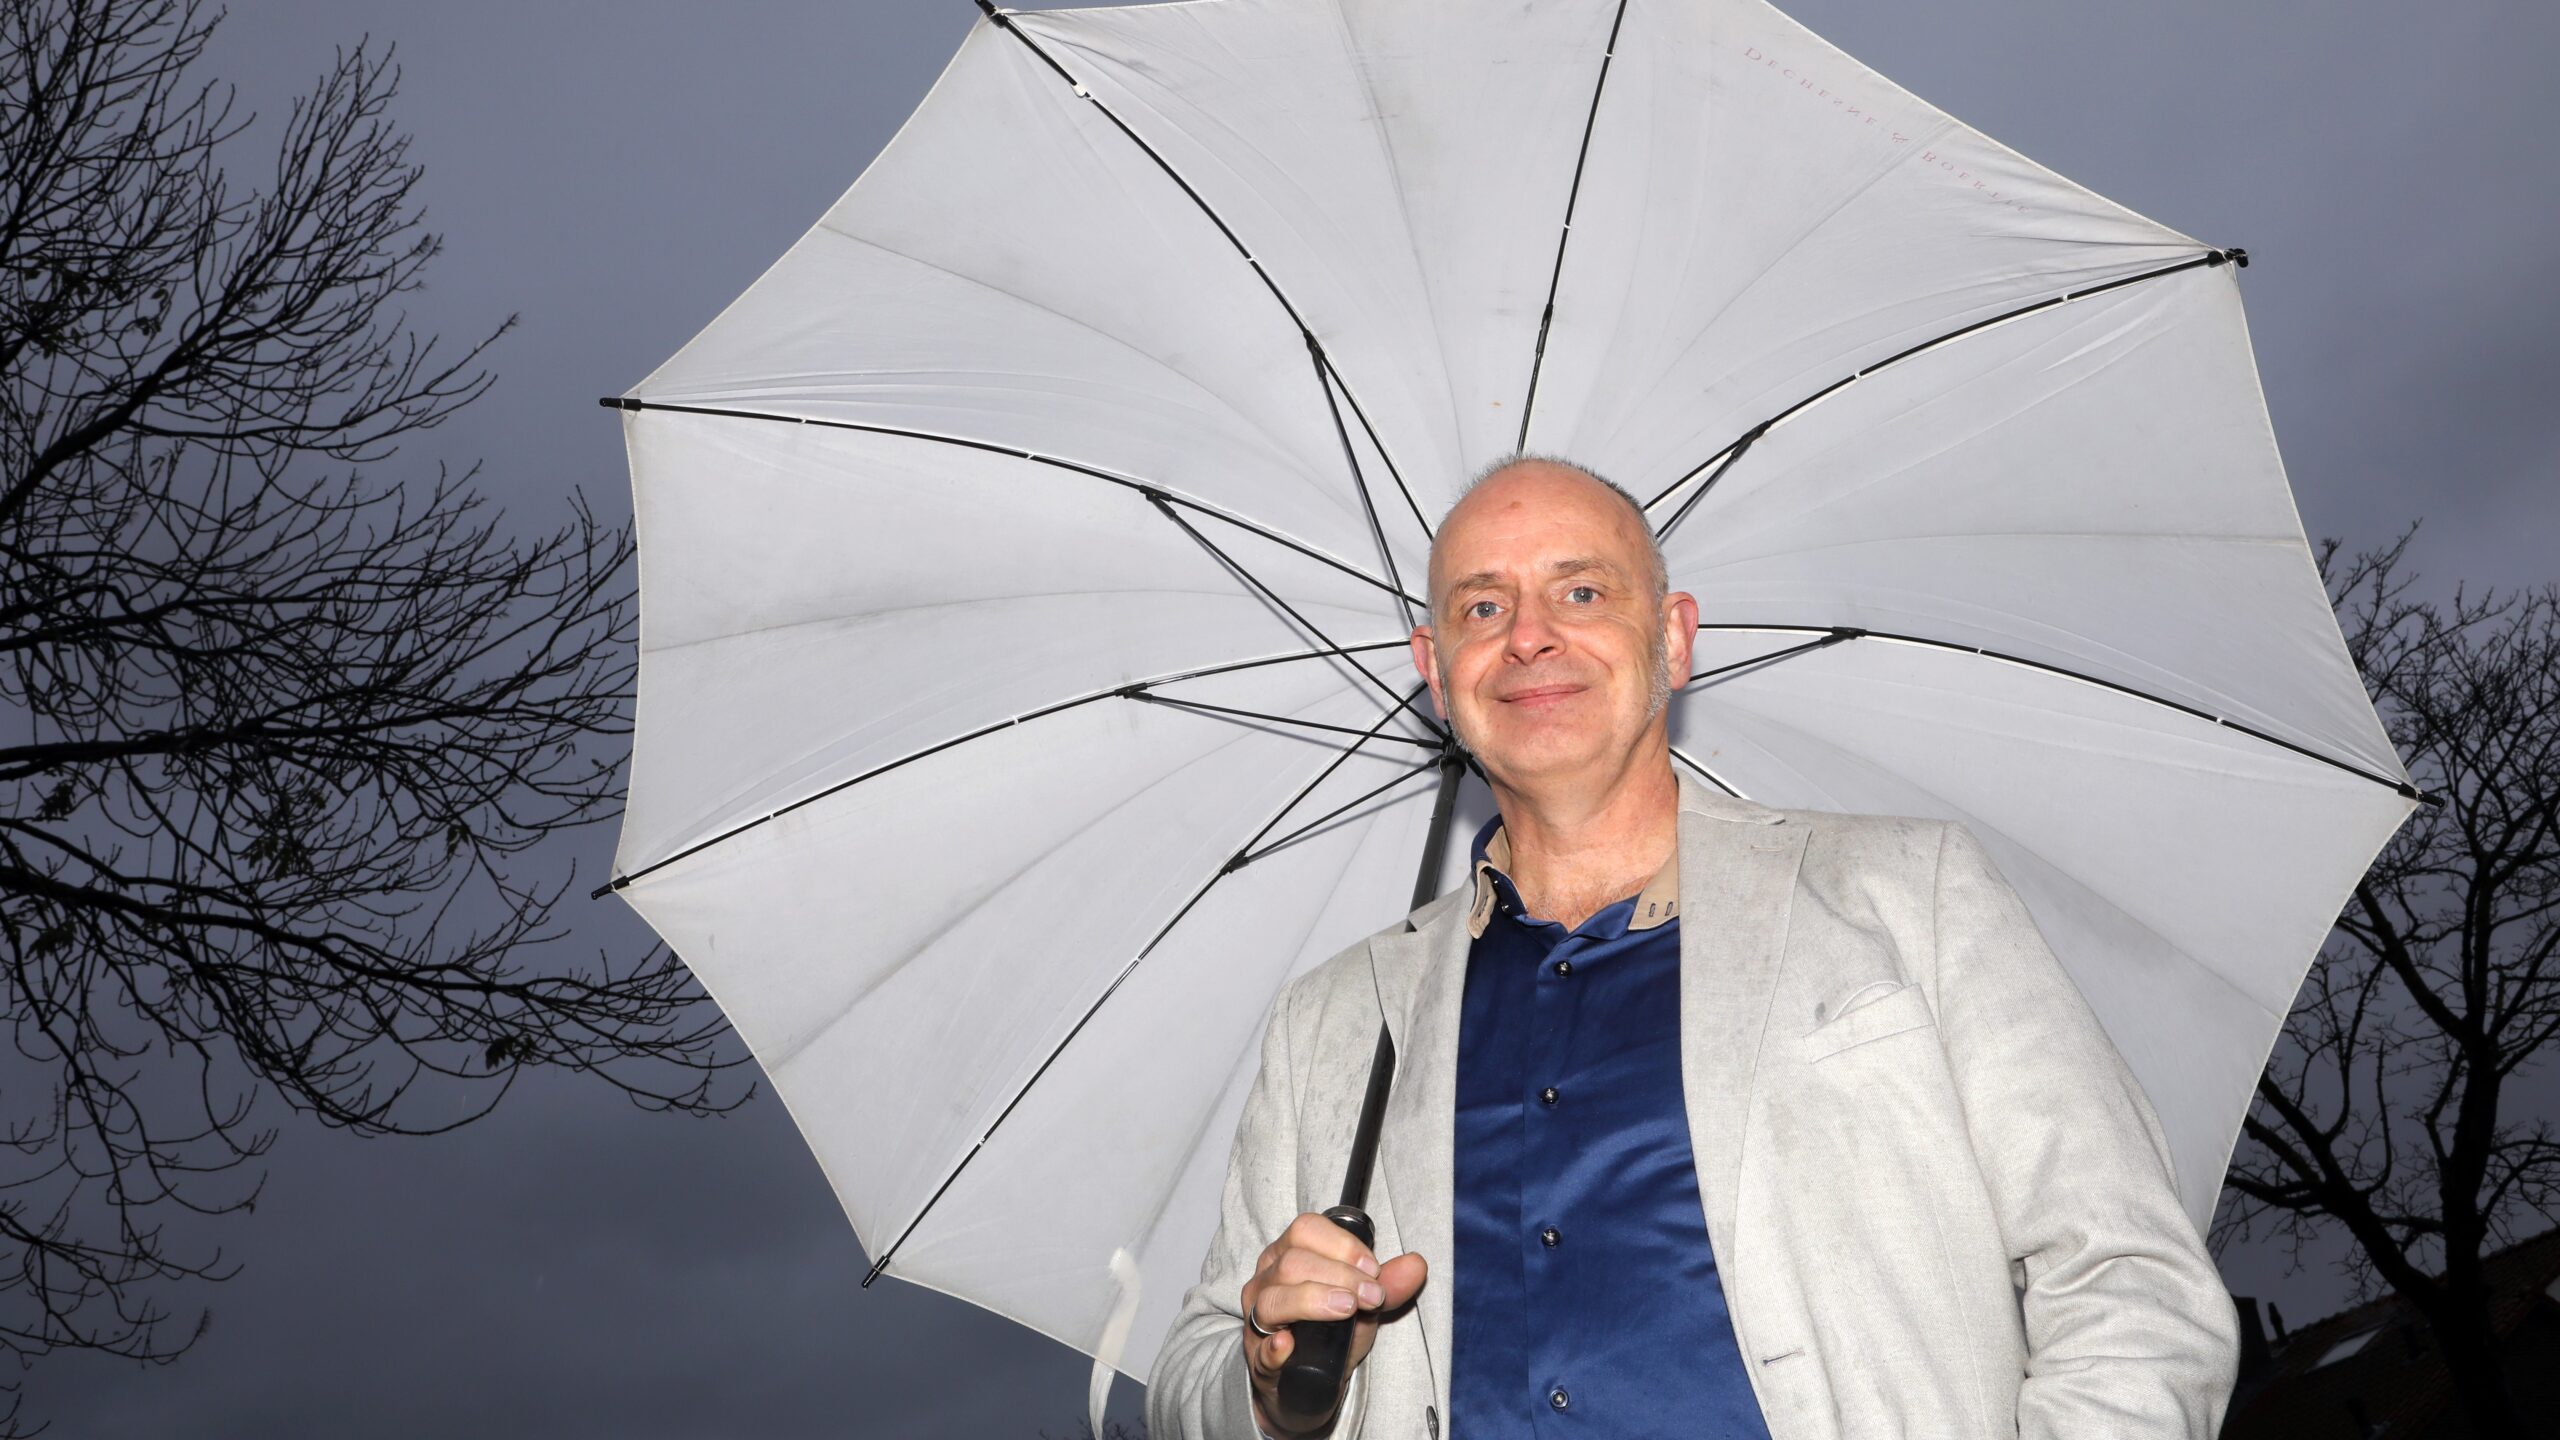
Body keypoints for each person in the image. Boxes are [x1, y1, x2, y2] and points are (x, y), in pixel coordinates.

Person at [1145, 457, 2242, 1440]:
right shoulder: (1331, 1023)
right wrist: (1266, 1377)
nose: (1528, 635)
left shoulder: (1908, 893)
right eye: (1484, 606)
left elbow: (2128, 1280)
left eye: (1580, 591)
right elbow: (1186, 1379)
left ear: (1670, 636)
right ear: (1436, 668)